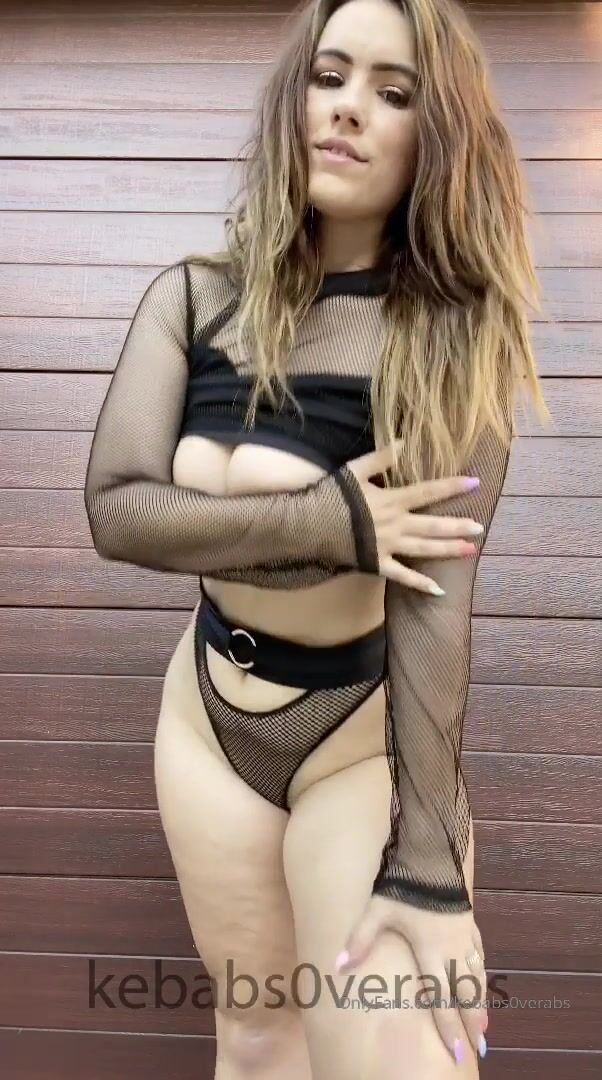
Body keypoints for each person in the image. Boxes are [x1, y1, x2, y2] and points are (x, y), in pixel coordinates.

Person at [84, 0, 549, 1076]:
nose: (346, 109)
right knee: (255, 1037)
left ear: (437, 137)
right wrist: (323, 521)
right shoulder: (193, 300)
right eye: (328, 77)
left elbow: (433, 609)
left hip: (354, 737)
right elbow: (118, 509)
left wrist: (429, 865)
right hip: (206, 720)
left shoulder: (448, 336)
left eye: (393, 92)